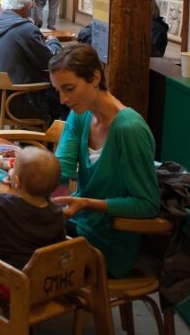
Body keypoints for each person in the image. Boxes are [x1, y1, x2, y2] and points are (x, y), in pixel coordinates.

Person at [49, 44, 160, 279]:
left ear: (95, 77)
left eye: (69, 88)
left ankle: (4, 304)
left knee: (17, 236)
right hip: (82, 225)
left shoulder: (129, 129)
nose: (63, 99)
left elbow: (147, 204)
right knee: (8, 220)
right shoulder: (81, 114)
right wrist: (33, 181)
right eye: (58, 90)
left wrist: (88, 203)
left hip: (110, 244)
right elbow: (62, 171)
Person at [0, 147, 66, 311]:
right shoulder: (57, 214)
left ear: (16, 181)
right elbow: (58, 245)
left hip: (5, 280)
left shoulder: (7, 204)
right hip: (39, 284)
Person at [0, 0, 63, 124]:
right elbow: (51, 61)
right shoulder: (26, 29)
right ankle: (50, 140)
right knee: (63, 91)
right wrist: (54, 43)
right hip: (15, 102)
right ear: (24, 8)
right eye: (30, 7)